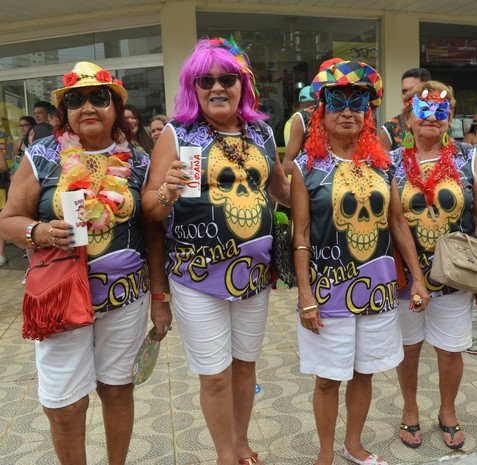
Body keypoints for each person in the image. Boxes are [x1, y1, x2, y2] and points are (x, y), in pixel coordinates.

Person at [0, 61, 160, 465]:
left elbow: (155, 233)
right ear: (64, 112)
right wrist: (38, 232)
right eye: (76, 99)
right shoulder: (42, 156)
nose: (88, 106)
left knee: (118, 390)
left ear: (116, 107)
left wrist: (160, 296)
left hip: (126, 298)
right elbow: (8, 220)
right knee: (65, 404)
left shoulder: (139, 160)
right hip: (60, 299)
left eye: (98, 97)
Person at [142, 37, 290, 465]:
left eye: (227, 78)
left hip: (254, 276)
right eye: (205, 80)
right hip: (196, 277)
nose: (217, 87)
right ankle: (226, 454)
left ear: (243, 84)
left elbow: (281, 189)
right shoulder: (177, 133)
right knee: (216, 374)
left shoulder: (260, 131)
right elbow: (151, 208)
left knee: (245, 366)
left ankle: (241, 442)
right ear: (193, 87)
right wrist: (167, 192)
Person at [291, 60, 429, 465]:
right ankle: (325, 454)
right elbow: (299, 235)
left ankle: (353, 445)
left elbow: (399, 223)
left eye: (358, 103)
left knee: (365, 371)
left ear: (368, 112)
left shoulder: (384, 165)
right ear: (322, 111)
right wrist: (304, 294)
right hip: (327, 292)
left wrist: (417, 279)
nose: (348, 111)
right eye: (337, 103)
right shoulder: (306, 168)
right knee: (329, 378)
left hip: (378, 288)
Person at [393, 82, 477, 450]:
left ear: (450, 117)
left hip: (456, 275)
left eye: (441, 112)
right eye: (423, 110)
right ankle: (409, 408)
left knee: (450, 348)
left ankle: (448, 411)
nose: (432, 119)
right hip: (407, 278)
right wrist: (416, 278)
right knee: (408, 347)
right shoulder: (392, 162)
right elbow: (395, 221)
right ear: (409, 118)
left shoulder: (468, 158)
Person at [282, 57, 345, 175]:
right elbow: (287, 165)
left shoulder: (355, 117)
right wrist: (322, 171)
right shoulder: (304, 118)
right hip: (312, 191)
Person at [379, 67, 431, 152]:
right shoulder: (390, 128)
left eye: (414, 90)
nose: (408, 96)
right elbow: (382, 163)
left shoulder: (439, 123)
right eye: (404, 92)